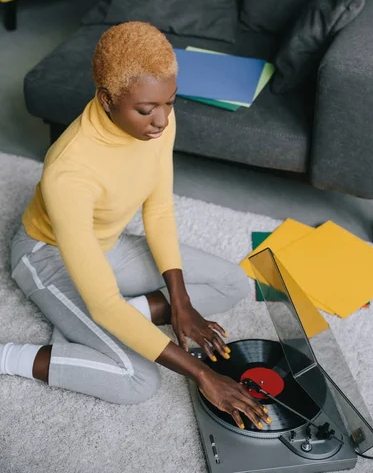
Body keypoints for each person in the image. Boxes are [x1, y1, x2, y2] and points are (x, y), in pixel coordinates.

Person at [2, 22, 271, 430]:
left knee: (231, 283)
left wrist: (180, 303)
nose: (161, 120)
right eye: (146, 110)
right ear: (108, 99)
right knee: (138, 380)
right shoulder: (69, 169)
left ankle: (101, 323)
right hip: (47, 257)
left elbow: (159, 210)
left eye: (169, 102)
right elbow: (104, 303)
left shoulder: (159, 119)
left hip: (107, 246)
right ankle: (10, 355)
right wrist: (203, 375)